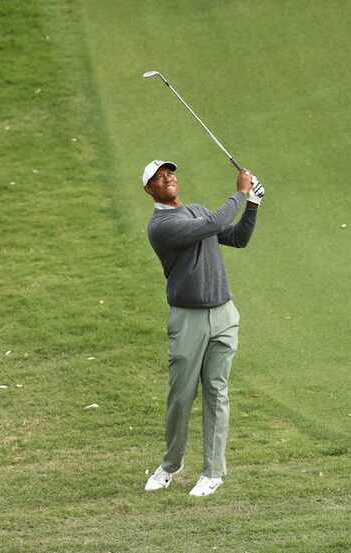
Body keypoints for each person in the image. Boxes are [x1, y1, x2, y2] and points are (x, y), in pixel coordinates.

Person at [140, 159, 264, 497]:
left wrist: (252, 205)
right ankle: (171, 465)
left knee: (217, 392)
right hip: (188, 319)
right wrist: (240, 193)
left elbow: (237, 238)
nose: (166, 177)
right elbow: (213, 223)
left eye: (169, 173)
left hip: (224, 313)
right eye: (158, 177)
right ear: (149, 189)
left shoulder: (195, 210)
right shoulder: (161, 226)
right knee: (181, 396)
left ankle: (213, 472)